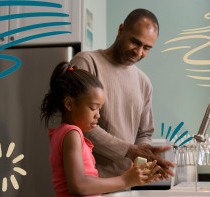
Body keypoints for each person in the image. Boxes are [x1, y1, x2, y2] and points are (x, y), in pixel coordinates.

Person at [70, 8, 174, 179]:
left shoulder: (143, 82)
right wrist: (128, 150)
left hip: (125, 184)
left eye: (146, 48)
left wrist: (145, 158)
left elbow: (144, 133)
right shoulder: (86, 63)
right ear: (121, 30)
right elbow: (78, 122)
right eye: (135, 42)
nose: (139, 52)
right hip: (88, 182)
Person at [40, 62, 161, 197]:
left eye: (100, 108)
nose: (98, 115)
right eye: (93, 108)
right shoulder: (72, 134)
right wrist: (125, 181)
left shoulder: (63, 133)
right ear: (69, 104)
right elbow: (79, 186)